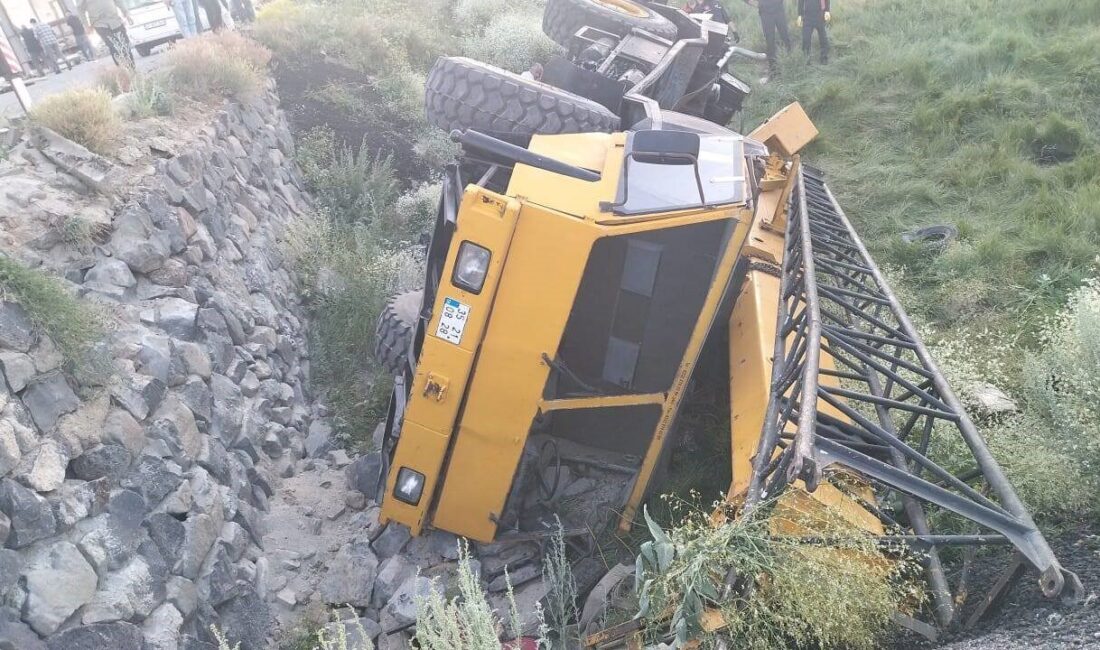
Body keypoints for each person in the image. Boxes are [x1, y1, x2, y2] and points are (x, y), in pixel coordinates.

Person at [80, 0, 134, 68]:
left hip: (115, 20)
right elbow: (80, 10)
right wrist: (86, 25)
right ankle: (123, 69)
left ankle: (132, 69)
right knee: (113, 46)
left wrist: (126, 13)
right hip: (99, 23)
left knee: (125, 44)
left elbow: (119, 1)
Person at [743, 0, 791, 77]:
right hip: (766, 13)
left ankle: (790, 63)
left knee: (785, 37)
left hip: (779, 10)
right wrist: (759, 4)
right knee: (770, 41)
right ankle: (774, 70)